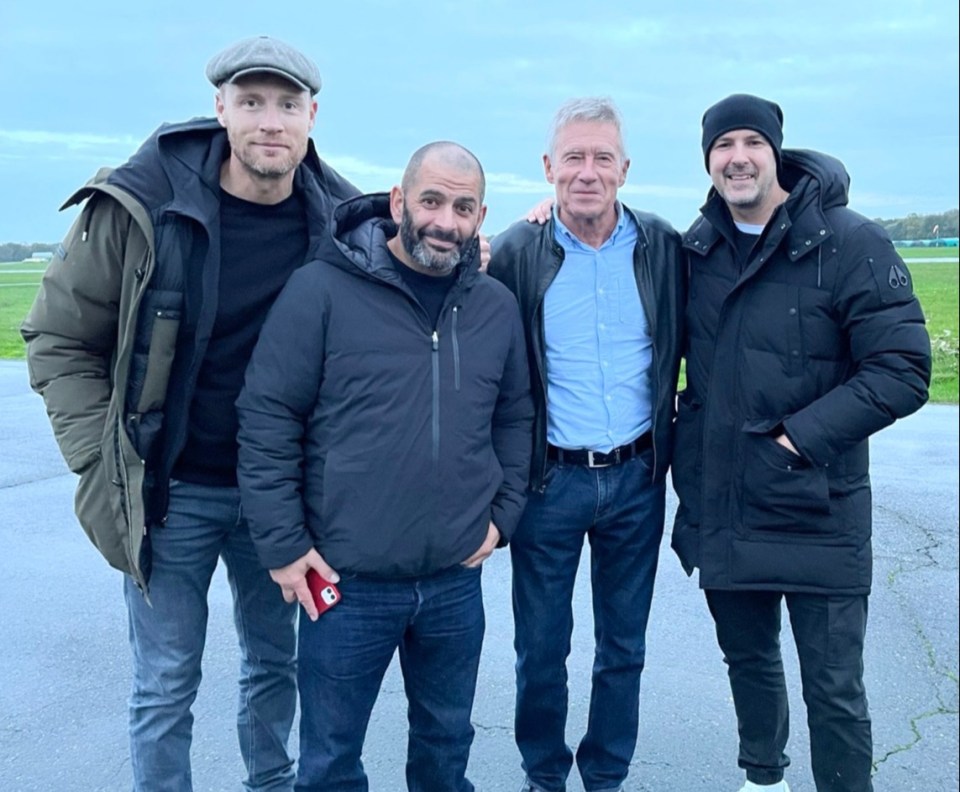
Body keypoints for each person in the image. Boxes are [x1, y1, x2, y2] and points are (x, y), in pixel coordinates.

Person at [21, 36, 360, 792]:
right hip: (169, 492)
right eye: (251, 102)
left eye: (286, 104)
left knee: (278, 666)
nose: (269, 121)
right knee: (167, 679)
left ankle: (269, 784)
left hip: (279, 500)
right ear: (220, 109)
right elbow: (57, 336)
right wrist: (101, 459)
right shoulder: (144, 206)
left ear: (312, 115)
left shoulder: (338, 222)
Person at [235, 141, 533, 792]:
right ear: (398, 201)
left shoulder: (493, 307)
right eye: (430, 200)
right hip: (346, 585)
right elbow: (267, 419)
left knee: (445, 752)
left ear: (480, 215)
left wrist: (503, 518)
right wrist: (284, 545)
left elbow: (516, 419)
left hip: (454, 584)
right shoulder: (319, 290)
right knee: (330, 762)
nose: (444, 221)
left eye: (462, 206)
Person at [670, 93, 932, 792]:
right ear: (708, 160)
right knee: (749, 667)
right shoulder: (694, 252)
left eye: (752, 142)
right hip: (726, 507)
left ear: (776, 153)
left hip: (821, 507)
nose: (738, 157)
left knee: (835, 690)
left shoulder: (850, 242)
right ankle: (764, 779)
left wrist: (795, 440)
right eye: (722, 146)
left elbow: (903, 369)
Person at [487, 97, 684, 792]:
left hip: (636, 479)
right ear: (548, 167)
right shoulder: (515, 252)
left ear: (625, 169)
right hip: (550, 482)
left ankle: (605, 775)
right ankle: (544, 774)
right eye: (574, 157)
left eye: (603, 157)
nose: (588, 172)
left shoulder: (664, 248)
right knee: (540, 650)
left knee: (622, 649)